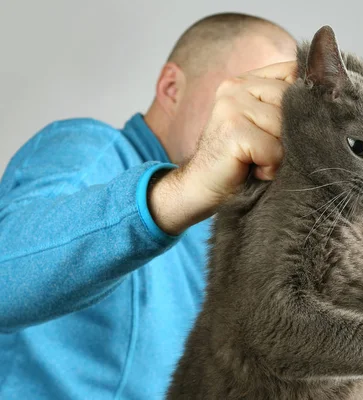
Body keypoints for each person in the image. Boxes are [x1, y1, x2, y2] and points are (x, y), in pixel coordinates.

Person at [0, 12, 297, 399]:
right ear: (171, 88)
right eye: (252, 94)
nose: (268, 122)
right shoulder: (92, 151)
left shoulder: (222, 231)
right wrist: (185, 188)